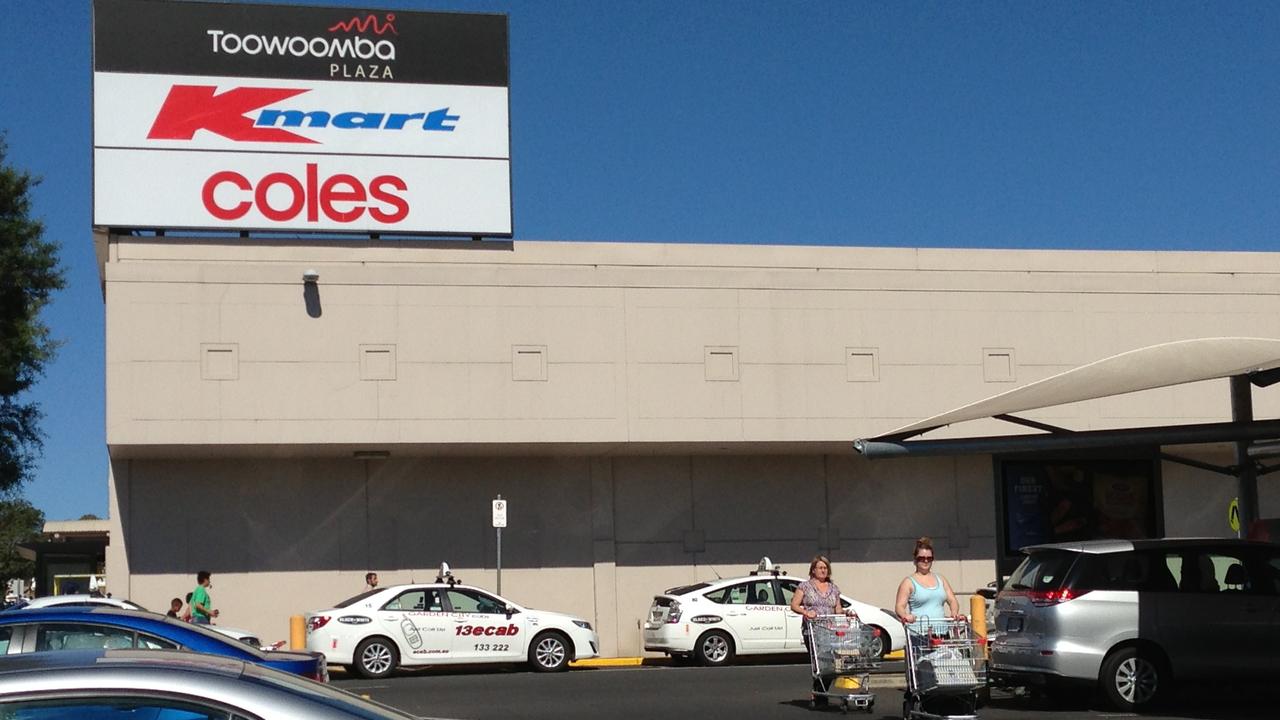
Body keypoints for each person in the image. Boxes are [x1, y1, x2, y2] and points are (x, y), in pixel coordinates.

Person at [789, 555, 857, 706]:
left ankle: (819, 691)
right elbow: (794, 604)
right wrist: (806, 613)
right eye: (820, 567)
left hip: (830, 629)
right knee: (819, 662)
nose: (823, 570)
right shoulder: (805, 586)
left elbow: (837, 608)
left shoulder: (833, 588)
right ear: (813, 570)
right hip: (813, 629)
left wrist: (846, 613)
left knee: (831, 663)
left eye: (825, 567)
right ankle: (820, 694)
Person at [894, 537, 960, 646]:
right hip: (919, 634)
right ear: (915, 560)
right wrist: (905, 615)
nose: (926, 561)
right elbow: (899, 606)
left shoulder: (941, 579)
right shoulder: (908, 582)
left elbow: (952, 600)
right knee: (923, 663)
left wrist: (954, 612)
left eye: (929, 558)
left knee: (946, 662)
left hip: (941, 633)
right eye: (922, 558)